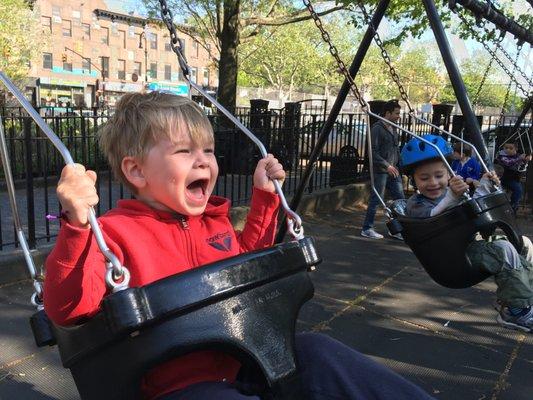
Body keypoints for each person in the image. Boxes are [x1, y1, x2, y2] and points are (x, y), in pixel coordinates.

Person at [44, 92, 434, 400]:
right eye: (184, 152)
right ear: (136, 170)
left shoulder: (213, 221)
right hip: (175, 386)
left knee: (319, 352)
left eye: (208, 151)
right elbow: (68, 308)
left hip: (246, 359)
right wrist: (77, 226)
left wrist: (265, 198)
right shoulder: (112, 234)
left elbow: (248, 272)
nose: (204, 163)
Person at [401, 135, 533, 333]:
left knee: (524, 244)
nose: (433, 183)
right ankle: (515, 311)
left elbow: (473, 208)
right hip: (454, 259)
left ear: (449, 174)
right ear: (414, 180)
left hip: (471, 245)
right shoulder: (417, 204)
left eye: (439, 175)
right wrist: (451, 197)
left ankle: (521, 299)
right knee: (503, 249)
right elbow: (431, 218)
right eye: (424, 178)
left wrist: (486, 184)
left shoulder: (453, 192)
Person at [361, 100, 405, 240]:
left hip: (394, 169)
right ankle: (367, 228)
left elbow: (395, 148)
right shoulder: (377, 128)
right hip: (381, 170)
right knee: (376, 199)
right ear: (388, 113)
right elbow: (372, 151)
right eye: (397, 113)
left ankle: (396, 229)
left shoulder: (393, 127)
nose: (399, 116)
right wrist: (387, 165)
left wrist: (399, 165)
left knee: (400, 199)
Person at [495, 142, 531, 213]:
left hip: (513, 179)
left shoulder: (517, 156)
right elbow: (508, 163)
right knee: (516, 189)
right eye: (506, 148)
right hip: (502, 178)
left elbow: (521, 168)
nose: (508, 150)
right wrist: (519, 159)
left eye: (511, 148)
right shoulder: (501, 156)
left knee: (518, 190)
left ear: (516, 149)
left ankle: (513, 207)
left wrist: (525, 161)